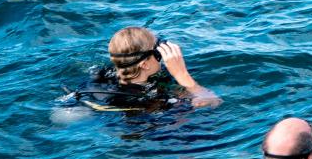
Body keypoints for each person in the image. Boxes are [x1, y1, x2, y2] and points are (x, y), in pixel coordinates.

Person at [69, 26, 220, 113]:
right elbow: (214, 102)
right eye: (158, 53)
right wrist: (182, 75)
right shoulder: (150, 102)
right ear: (145, 64)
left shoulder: (102, 77)